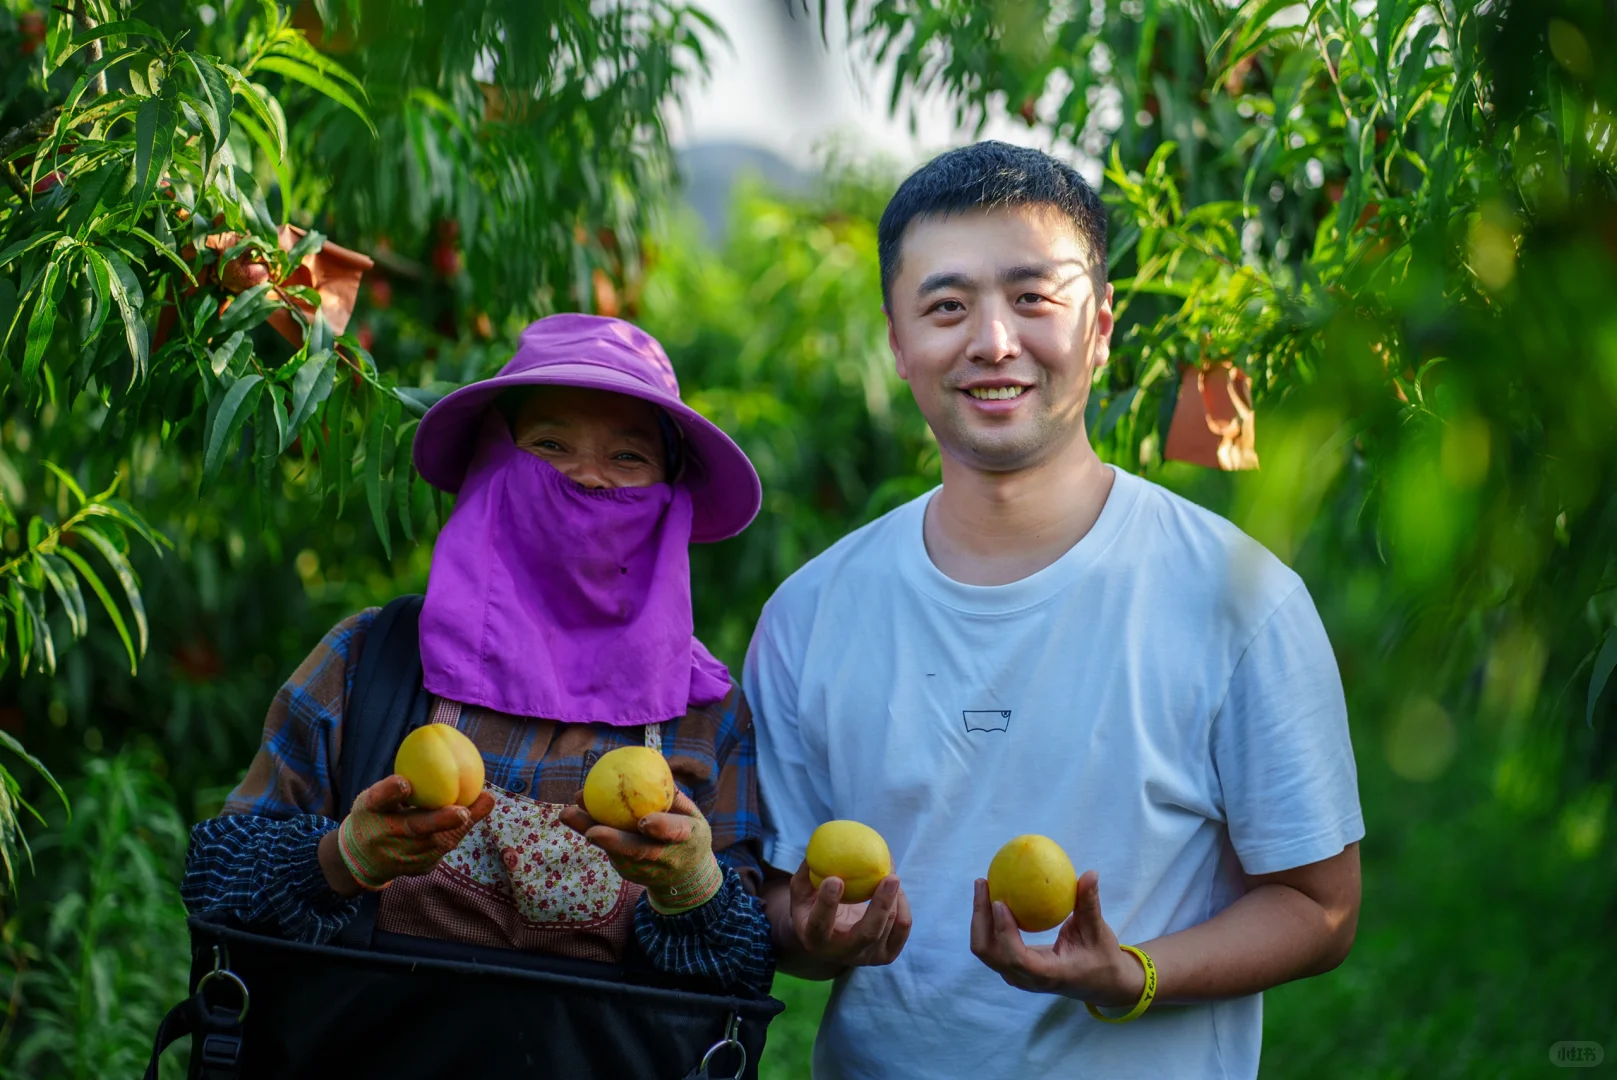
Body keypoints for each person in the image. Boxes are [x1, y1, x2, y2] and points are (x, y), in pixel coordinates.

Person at [746, 142, 1364, 1078]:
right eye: (946, 307)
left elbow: (1320, 905)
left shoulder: (1239, 598)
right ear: (897, 342)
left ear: (1100, 327)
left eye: (1033, 297)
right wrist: (816, 935)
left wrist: (1135, 973)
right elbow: (779, 902)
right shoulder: (811, 613)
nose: (993, 342)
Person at [183, 314, 773, 997]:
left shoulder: (706, 715)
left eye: (628, 457)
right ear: (492, 466)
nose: (589, 479)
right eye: (550, 445)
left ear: (669, 495)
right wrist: (342, 857)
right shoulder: (371, 660)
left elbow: (746, 967)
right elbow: (214, 881)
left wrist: (693, 888)